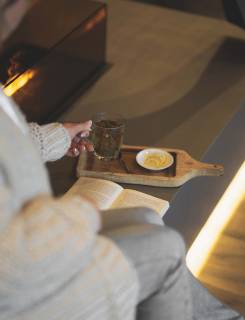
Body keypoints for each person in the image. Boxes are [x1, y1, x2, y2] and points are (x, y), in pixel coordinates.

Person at [0, 1, 244, 320]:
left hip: (35, 250)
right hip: (25, 293)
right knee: (165, 250)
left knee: (146, 219)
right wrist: (82, 212)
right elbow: (16, 260)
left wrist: (56, 137)